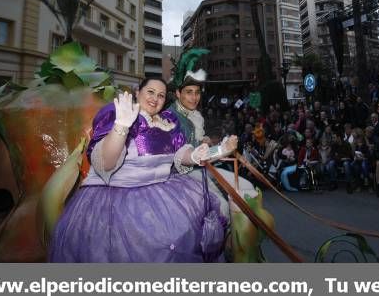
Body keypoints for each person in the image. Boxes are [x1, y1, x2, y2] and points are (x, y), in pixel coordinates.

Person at [49, 78, 238, 262]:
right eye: (150, 92)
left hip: (164, 193)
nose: (155, 98)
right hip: (115, 201)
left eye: (161, 95)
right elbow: (105, 164)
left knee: (188, 230)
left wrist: (219, 150)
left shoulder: (169, 121)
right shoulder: (119, 114)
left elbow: (183, 155)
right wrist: (121, 127)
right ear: (137, 92)